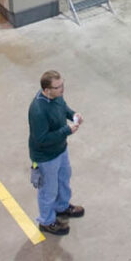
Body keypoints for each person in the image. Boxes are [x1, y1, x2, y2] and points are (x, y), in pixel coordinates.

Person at [28, 70, 85, 236]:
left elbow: (63, 107)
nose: (62, 89)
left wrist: (72, 114)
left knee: (63, 180)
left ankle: (62, 207)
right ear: (46, 90)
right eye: (58, 87)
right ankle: (46, 221)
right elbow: (41, 139)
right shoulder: (38, 110)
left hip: (61, 149)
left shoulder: (56, 97)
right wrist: (66, 131)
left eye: (62, 84)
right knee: (48, 190)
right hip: (46, 158)